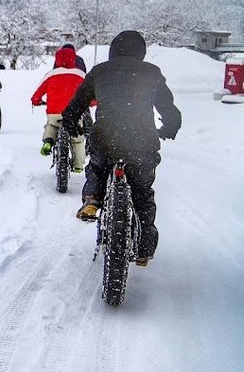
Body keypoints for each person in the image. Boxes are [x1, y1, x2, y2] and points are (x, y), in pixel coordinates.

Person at [62, 30, 181, 265]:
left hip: (106, 138)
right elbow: (169, 109)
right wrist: (169, 128)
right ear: (141, 52)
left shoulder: (100, 71)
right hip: (141, 141)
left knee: (97, 166)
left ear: (113, 50)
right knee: (142, 194)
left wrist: (71, 123)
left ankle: (93, 199)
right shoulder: (151, 73)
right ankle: (144, 249)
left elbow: (76, 105)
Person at [30, 45, 87, 172]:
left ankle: (48, 141)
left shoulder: (51, 74)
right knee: (77, 139)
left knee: (52, 125)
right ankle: (78, 165)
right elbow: (91, 94)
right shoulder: (80, 75)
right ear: (74, 59)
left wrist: (37, 101)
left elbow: (36, 96)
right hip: (74, 112)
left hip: (54, 111)